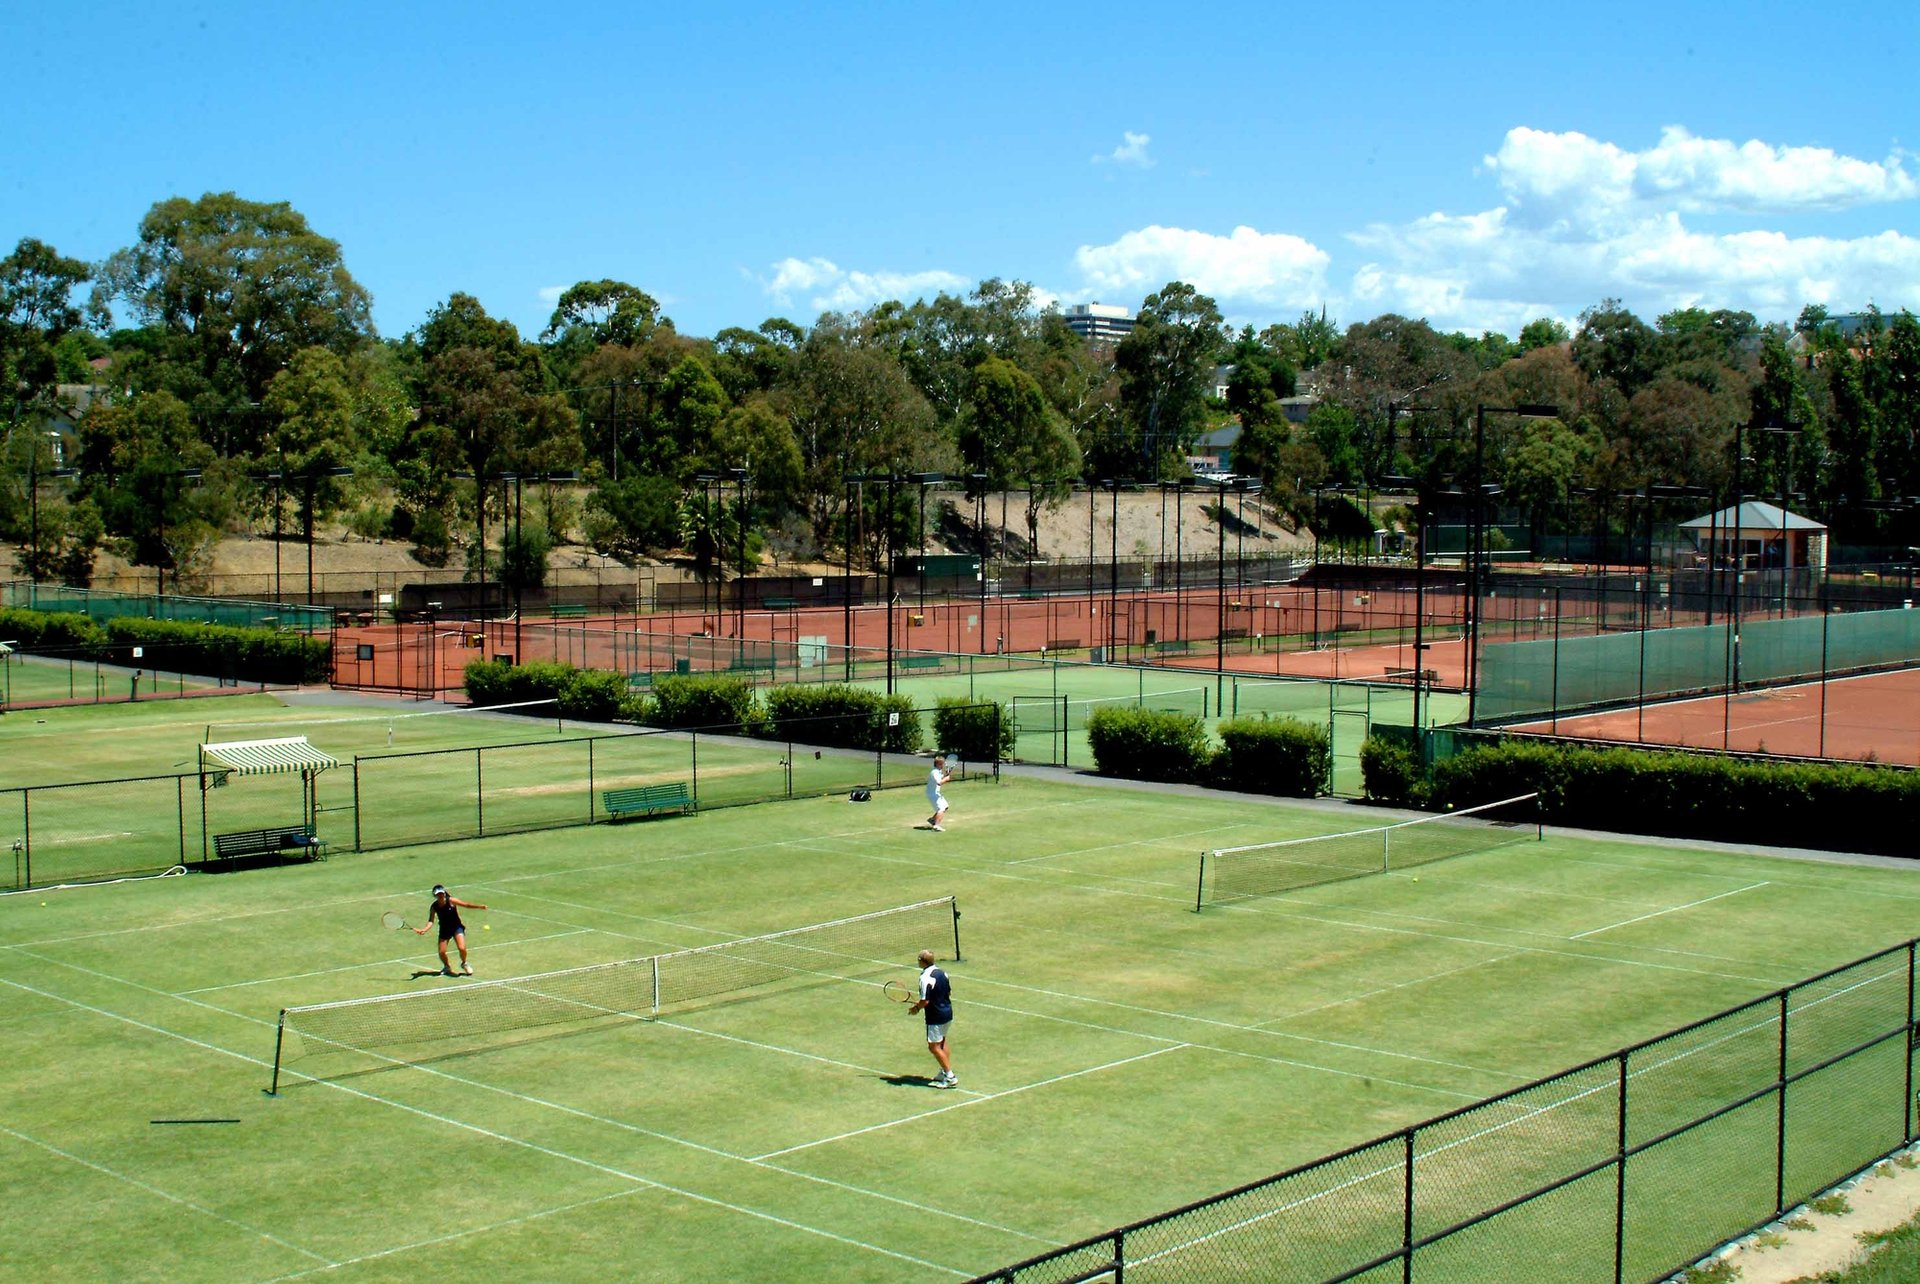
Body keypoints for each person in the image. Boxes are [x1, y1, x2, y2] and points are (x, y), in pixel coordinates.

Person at [906, 948, 956, 1088]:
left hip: (935, 1016)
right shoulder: (943, 973)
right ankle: (943, 1072)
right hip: (947, 1012)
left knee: (934, 1047)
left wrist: (916, 1009)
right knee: (942, 1042)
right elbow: (948, 992)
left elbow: (925, 1001)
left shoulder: (924, 978)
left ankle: (950, 1076)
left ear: (922, 961)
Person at [415, 884, 487, 976]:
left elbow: (466, 905)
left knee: (462, 948)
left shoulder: (451, 901)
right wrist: (424, 929)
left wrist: (479, 906)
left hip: (456, 927)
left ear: (444, 893)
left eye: (441, 893)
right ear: (435, 895)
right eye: (438, 894)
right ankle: (447, 966)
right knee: (442, 952)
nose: (440, 895)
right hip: (444, 929)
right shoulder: (434, 906)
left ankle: (464, 963)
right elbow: (431, 921)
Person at [925, 755, 952, 831]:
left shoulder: (938, 771)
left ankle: (932, 820)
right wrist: (946, 779)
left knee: (945, 806)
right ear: (937, 764)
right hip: (932, 794)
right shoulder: (935, 772)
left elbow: (941, 778)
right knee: (941, 809)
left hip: (936, 793)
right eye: (942, 763)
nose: (943, 765)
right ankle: (936, 826)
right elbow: (939, 782)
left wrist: (946, 775)